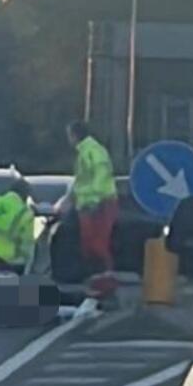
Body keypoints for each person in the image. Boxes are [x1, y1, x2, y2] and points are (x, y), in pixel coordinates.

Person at [60, 121, 119, 299]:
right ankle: (98, 283)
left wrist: (94, 202)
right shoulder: (86, 151)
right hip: (90, 204)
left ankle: (105, 283)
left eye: (69, 135)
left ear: (75, 134)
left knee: (97, 244)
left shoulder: (92, 151)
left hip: (98, 204)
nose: (68, 139)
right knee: (89, 244)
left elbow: (100, 178)